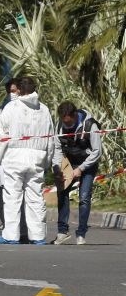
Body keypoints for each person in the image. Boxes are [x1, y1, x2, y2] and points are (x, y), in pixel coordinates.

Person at [0, 77, 54, 245]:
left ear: (18, 89)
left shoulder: (11, 108)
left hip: (14, 157)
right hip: (37, 158)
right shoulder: (44, 110)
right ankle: (38, 236)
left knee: (12, 198)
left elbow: (3, 135)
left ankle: (11, 235)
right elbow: (50, 139)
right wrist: (47, 161)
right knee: (36, 198)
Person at [51, 101, 102, 245]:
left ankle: (81, 233)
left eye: (69, 123)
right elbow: (57, 149)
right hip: (69, 162)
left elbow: (97, 151)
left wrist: (81, 169)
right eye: (64, 122)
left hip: (88, 163)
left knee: (84, 197)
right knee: (62, 192)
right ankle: (62, 231)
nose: (67, 126)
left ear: (75, 116)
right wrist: (57, 168)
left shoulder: (89, 125)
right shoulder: (59, 126)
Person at [0, 78, 20, 231]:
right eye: (10, 91)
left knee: (15, 197)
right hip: (0, 160)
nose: (12, 94)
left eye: (15, 91)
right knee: (0, 195)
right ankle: (5, 225)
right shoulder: (2, 110)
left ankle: (15, 229)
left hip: (15, 158)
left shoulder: (26, 111)